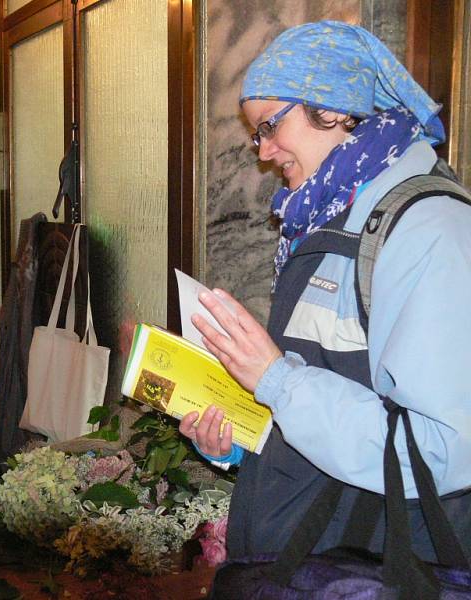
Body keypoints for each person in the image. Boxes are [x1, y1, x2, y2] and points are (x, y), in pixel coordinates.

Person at [179, 21, 471, 562]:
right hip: (312, 557)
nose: (263, 153)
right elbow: (328, 393)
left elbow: (443, 452)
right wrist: (241, 437)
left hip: (378, 568)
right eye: (255, 135)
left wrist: (278, 383)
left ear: (332, 109)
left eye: (269, 127)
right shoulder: (323, 219)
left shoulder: (428, 230)